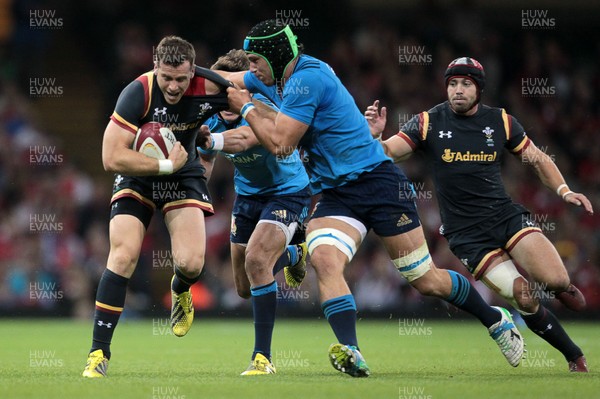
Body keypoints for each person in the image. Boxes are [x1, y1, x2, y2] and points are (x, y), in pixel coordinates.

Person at [217, 20, 525, 377]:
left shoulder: (308, 79)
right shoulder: (280, 76)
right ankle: (352, 350)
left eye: (255, 60)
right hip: (336, 193)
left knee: (425, 279)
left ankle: (494, 318)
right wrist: (173, 75)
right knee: (325, 260)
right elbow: (230, 81)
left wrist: (248, 108)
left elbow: (281, 143)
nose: (250, 69)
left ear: (275, 55)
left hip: (378, 183)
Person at [364, 56, 591, 372]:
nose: (458, 90)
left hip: (506, 218)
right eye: (453, 83)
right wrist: (375, 135)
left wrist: (564, 191)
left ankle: (561, 288)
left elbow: (538, 160)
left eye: (466, 84)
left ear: (479, 89)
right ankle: (574, 356)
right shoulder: (427, 122)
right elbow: (387, 153)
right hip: (467, 236)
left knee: (555, 280)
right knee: (524, 298)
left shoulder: (501, 121)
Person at [82, 35, 233, 378]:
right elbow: (110, 157)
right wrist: (164, 166)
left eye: (182, 78)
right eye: (167, 77)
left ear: (192, 71)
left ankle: (180, 289)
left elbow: (248, 91)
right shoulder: (138, 92)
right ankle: (97, 353)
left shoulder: (207, 88)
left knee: (192, 263)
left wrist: (225, 128)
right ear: (155, 68)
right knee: (122, 255)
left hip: (184, 175)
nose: (175, 86)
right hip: (140, 173)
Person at [199, 49, 311, 375]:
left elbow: (245, 139)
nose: (218, 96)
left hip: (287, 191)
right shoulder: (212, 116)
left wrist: (210, 142)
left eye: (224, 89)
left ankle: (262, 358)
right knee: (244, 287)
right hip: (247, 197)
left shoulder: (264, 107)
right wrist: (193, 188)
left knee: (258, 260)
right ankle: (294, 255)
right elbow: (206, 160)